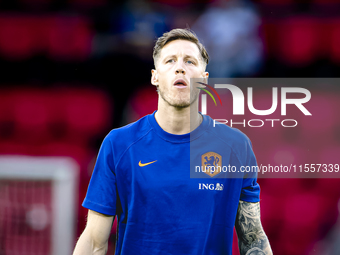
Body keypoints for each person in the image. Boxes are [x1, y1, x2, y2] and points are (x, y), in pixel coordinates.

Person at [73, 28, 273, 255]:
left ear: (204, 79)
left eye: (190, 61)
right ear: (154, 77)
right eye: (170, 61)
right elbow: (94, 241)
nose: (180, 67)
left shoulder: (236, 147)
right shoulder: (119, 144)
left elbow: (253, 238)